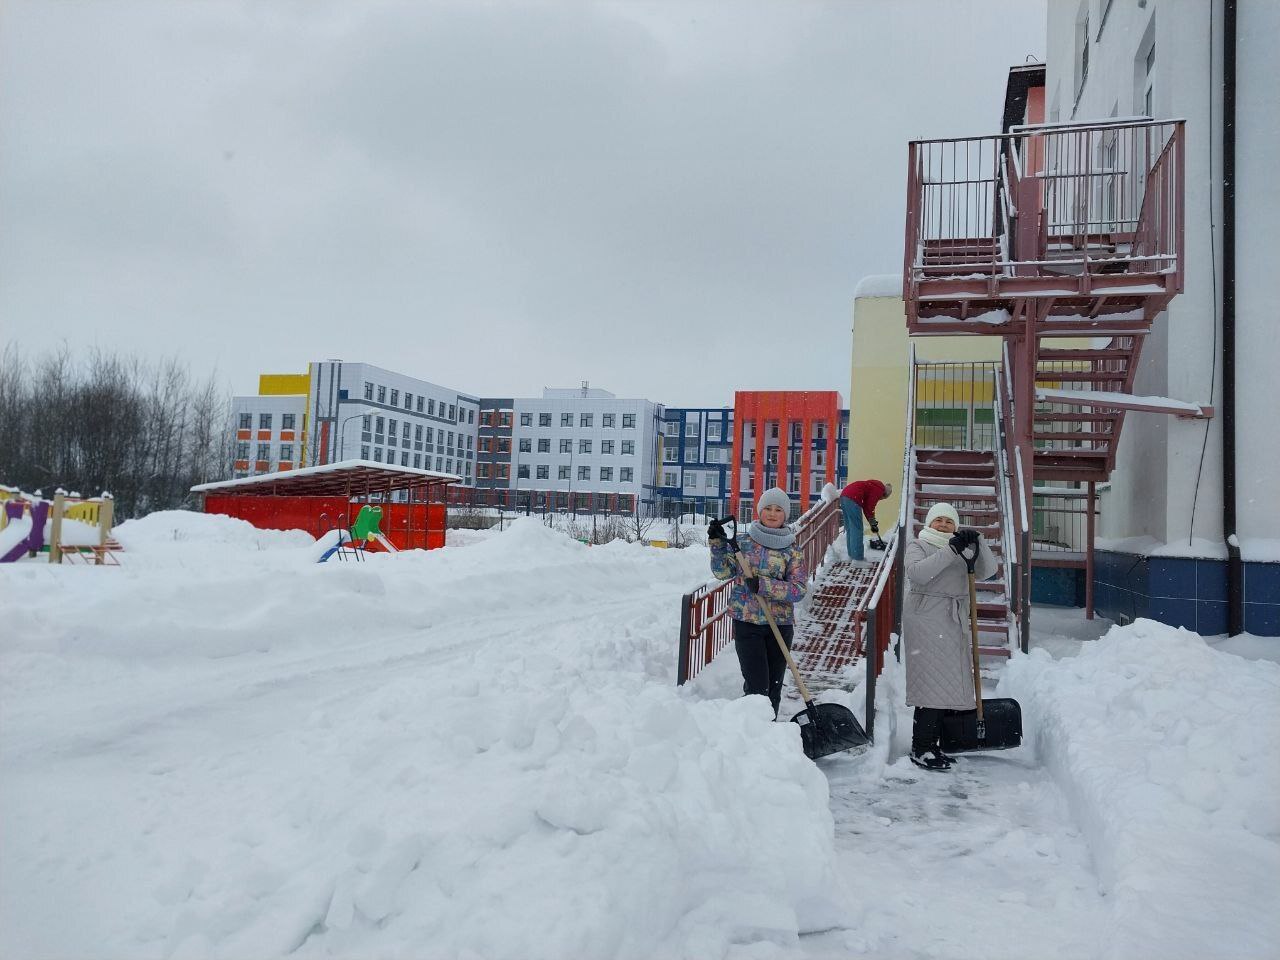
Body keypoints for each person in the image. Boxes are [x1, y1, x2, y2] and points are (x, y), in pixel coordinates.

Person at [902, 502, 997, 771]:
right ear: (929, 523)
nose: (943, 525)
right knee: (930, 683)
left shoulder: (963, 549)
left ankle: (931, 745)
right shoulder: (919, 545)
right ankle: (921, 747)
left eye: (949, 521)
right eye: (938, 520)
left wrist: (978, 541)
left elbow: (988, 571)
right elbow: (917, 574)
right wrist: (951, 549)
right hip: (925, 617)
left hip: (952, 619)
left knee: (945, 683)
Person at [707, 488, 807, 718]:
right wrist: (717, 544)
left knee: (773, 687)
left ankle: (770, 732)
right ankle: (752, 730)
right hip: (747, 621)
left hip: (780, 624)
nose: (772, 514)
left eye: (778, 510)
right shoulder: (742, 543)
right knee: (757, 687)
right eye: (768, 508)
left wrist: (764, 585)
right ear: (759, 511)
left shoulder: (792, 549)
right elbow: (722, 573)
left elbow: (799, 589)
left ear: (785, 514)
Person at [840, 478, 893, 561]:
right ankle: (857, 559)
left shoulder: (873, 486)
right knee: (857, 529)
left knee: (850, 529)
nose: (880, 499)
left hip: (844, 496)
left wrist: (872, 523)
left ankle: (852, 555)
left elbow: (866, 507)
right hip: (853, 498)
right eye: (882, 498)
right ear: (884, 494)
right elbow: (869, 508)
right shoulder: (879, 490)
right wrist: (873, 523)